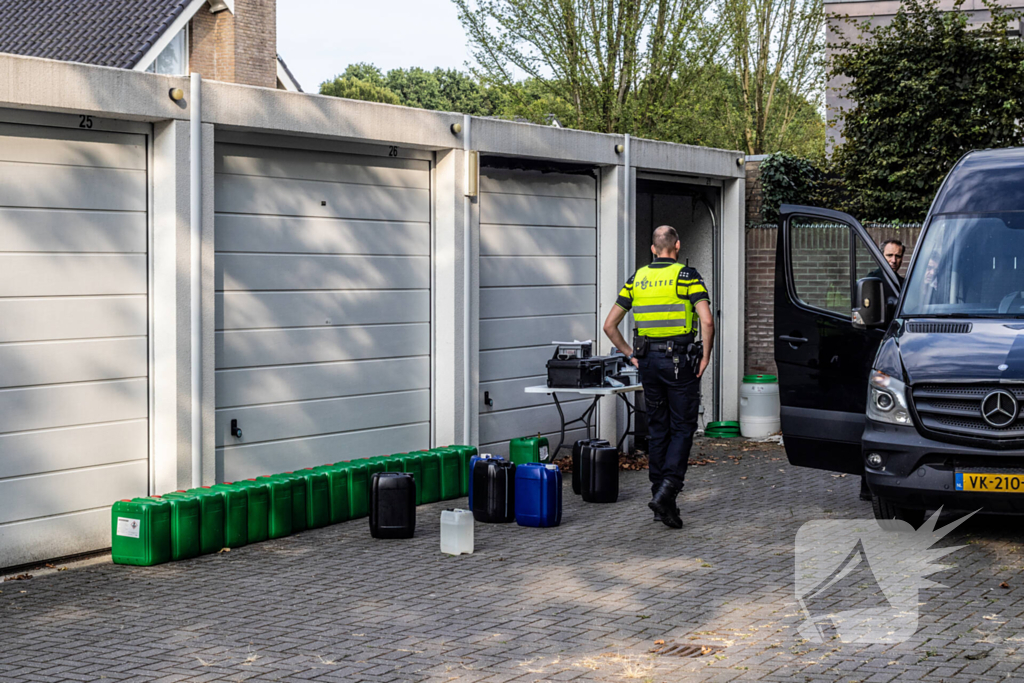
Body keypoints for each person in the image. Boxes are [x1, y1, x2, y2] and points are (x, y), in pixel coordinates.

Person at [602, 225, 715, 529]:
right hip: (680, 363)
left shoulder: (637, 278)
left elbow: (609, 324)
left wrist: (629, 353)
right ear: (676, 245)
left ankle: (661, 504)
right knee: (682, 427)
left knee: (658, 428)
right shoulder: (687, 276)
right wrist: (705, 356)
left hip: (648, 361)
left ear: (653, 249)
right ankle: (668, 490)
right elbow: (706, 320)